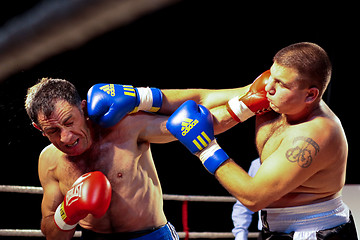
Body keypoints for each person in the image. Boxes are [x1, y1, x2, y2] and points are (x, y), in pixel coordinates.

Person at [166, 42, 358, 239]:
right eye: (271, 75)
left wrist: (205, 148)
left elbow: (253, 197)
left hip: (315, 232)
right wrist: (145, 98)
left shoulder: (316, 134)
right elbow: (204, 101)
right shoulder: (276, 98)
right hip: (275, 229)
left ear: (310, 95)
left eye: (281, 83)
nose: (268, 87)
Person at [25, 78, 250, 239]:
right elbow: (52, 233)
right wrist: (68, 212)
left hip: (153, 235)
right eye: (53, 131)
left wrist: (249, 102)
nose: (65, 137)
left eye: (69, 122)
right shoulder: (49, 161)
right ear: (39, 129)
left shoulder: (125, 126)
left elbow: (191, 122)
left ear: (82, 107)